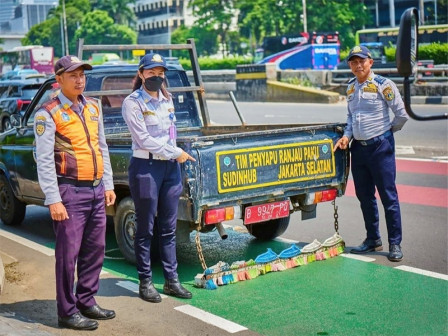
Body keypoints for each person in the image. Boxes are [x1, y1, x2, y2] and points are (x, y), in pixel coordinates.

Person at [34, 55, 116, 330]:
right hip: (69, 192)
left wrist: (108, 184)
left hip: (94, 190)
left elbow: (101, 146)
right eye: (73, 75)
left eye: (82, 74)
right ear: (58, 80)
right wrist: (53, 198)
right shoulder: (48, 112)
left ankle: (86, 301)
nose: (80, 79)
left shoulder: (93, 106)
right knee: (68, 255)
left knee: (95, 250)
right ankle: (66, 312)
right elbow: (43, 159)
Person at [121, 53, 195, 303]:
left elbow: (170, 133)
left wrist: (175, 155)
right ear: (141, 74)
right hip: (146, 168)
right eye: (151, 72)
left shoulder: (167, 99)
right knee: (145, 228)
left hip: (170, 169)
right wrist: (177, 152)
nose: (156, 77)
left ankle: (171, 281)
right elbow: (144, 140)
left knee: (168, 227)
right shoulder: (133, 102)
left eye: (160, 73)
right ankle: (145, 282)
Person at [333, 45, 408, 262]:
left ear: (370, 62)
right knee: (364, 197)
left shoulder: (383, 85)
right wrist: (347, 135)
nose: (358, 65)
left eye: (361, 61)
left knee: (388, 196)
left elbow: (401, 115)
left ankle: (395, 242)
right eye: (353, 62)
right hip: (358, 149)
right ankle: (373, 239)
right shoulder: (350, 88)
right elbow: (351, 117)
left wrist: (385, 133)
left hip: (380, 148)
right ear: (349, 65)